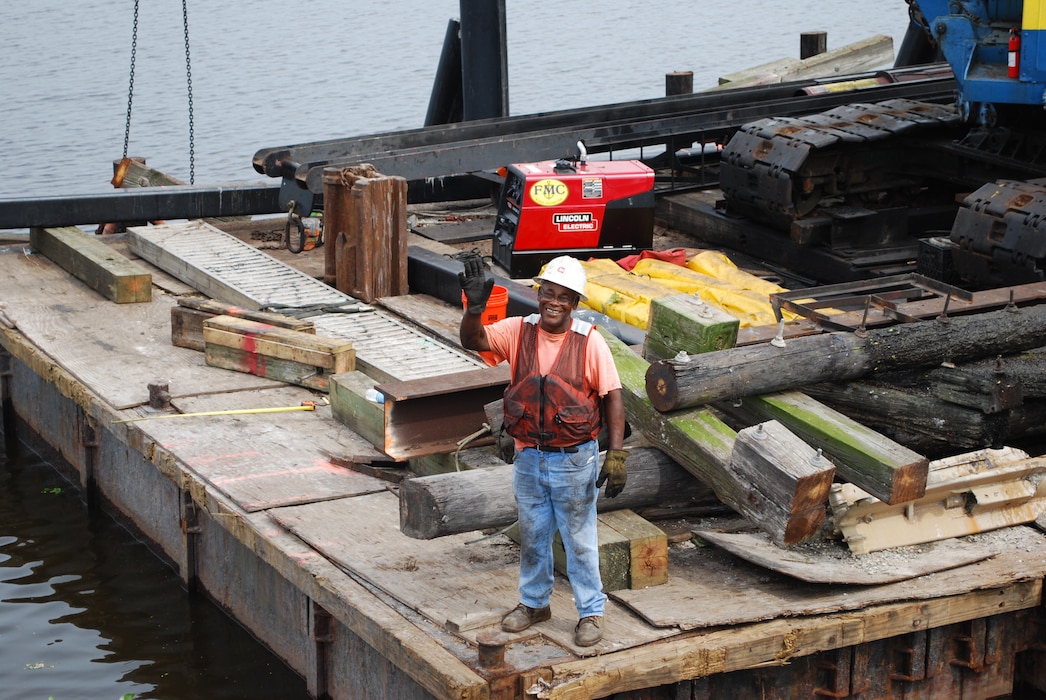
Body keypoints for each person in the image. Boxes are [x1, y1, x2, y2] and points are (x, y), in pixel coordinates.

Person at [459, 253, 627, 647]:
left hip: (574, 457)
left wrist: (617, 454)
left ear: (575, 303)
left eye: (563, 297)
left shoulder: (590, 341)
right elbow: (473, 340)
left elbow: (613, 396)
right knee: (533, 535)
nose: (554, 302)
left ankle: (591, 612)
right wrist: (476, 308)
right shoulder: (520, 330)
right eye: (548, 293)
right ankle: (535, 603)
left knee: (578, 538)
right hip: (529, 455)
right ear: (539, 294)